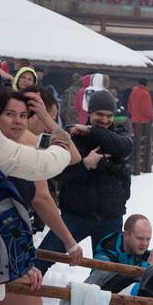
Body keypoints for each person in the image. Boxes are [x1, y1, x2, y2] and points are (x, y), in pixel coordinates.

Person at [0, 88, 83, 305]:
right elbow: (41, 200)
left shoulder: (27, 145)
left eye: (24, 115)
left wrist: (47, 119)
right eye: (10, 115)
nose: (18, 121)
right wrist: (68, 241)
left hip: (18, 248)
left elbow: (72, 156)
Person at [35, 88, 132, 272]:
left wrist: (90, 130)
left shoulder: (120, 136)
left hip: (109, 218)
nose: (104, 120)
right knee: (41, 259)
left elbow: (123, 147)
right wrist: (85, 165)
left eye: (109, 115)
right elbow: (59, 174)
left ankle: (98, 301)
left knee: (106, 274)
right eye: (99, 114)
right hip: (75, 215)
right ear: (89, 113)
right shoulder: (72, 137)